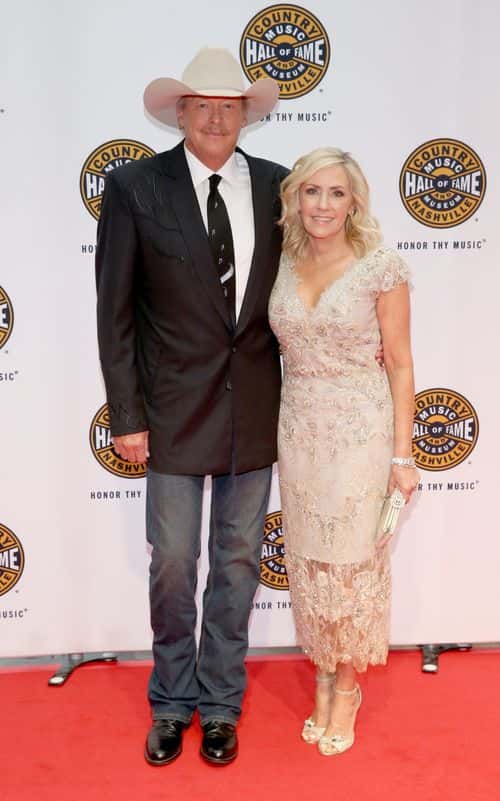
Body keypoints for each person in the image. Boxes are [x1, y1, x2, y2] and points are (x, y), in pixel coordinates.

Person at [95, 48, 288, 766]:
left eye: (228, 107)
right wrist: (127, 414)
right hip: (171, 409)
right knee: (174, 561)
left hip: (254, 406)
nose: (215, 118)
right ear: (179, 113)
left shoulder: (277, 186)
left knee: (237, 563)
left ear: (246, 116)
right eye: (202, 105)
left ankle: (222, 704)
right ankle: (173, 701)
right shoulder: (134, 187)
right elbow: (114, 311)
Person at [268, 147, 419, 756]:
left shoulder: (382, 267)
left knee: (352, 563)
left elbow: (401, 364)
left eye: (336, 192)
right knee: (311, 560)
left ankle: (347, 688)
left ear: (354, 200)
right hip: (298, 430)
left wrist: (403, 456)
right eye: (312, 191)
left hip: (361, 433)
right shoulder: (281, 261)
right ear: (294, 199)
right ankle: (324, 674)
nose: (323, 205)